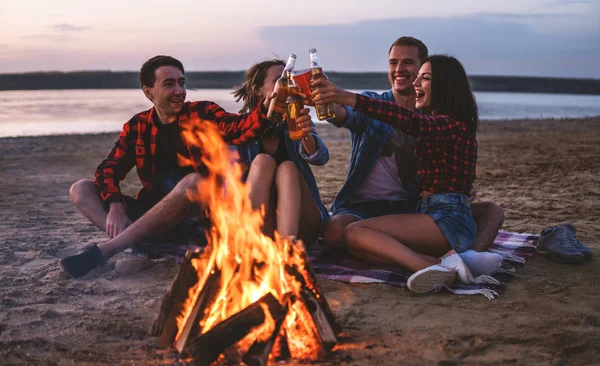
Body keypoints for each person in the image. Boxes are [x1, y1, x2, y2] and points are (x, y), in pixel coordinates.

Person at [61, 55, 314, 279]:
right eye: (169, 84)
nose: (179, 90)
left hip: (197, 220)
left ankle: (110, 249)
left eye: (181, 82)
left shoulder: (202, 113)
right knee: (81, 189)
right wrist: (115, 203)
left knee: (193, 181)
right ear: (148, 91)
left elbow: (242, 127)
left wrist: (268, 106)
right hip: (153, 214)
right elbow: (109, 168)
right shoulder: (137, 125)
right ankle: (134, 245)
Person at [320, 37, 504, 276]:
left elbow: (413, 123)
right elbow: (344, 115)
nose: (401, 71)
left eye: (411, 65)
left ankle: (441, 266)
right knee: (354, 241)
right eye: (393, 62)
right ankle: (442, 261)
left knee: (357, 234)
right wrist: (326, 98)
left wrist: (347, 95)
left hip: (435, 213)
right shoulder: (395, 107)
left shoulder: (440, 122)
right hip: (421, 210)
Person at [232, 60, 329, 245]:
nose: (287, 84)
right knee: (262, 161)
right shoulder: (243, 126)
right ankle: (249, 242)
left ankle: (287, 249)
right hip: (263, 224)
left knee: (288, 167)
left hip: (303, 224)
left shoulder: (295, 118)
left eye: (289, 79)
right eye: (280, 80)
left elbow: (321, 157)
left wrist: (305, 134)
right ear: (258, 90)